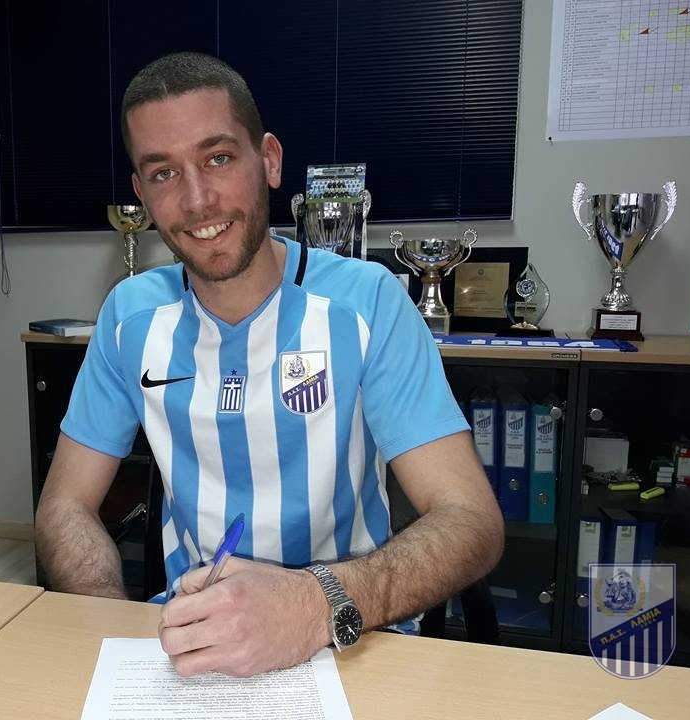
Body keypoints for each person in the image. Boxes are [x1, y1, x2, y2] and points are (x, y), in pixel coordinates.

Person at [35, 52, 504, 678]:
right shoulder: (129, 316)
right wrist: (113, 627)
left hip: (350, 639)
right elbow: (64, 506)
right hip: (191, 649)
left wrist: (312, 605)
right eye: (164, 173)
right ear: (142, 195)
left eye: (218, 158)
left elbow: (472, 521)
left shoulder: (367, 302)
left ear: (270, 160)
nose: (197, 200)